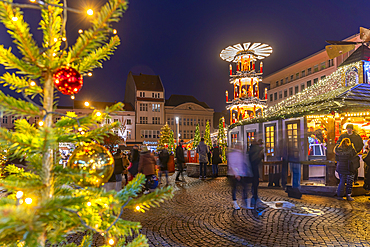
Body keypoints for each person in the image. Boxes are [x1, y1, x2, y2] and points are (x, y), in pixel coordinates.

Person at [227, 142, 253, 210]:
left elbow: (242, 164)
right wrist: (236, 174)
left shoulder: (241, 154)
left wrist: (244, 173)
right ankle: (235, 202)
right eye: (240, 146)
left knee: (244, 187)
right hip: (233, 175)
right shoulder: (233, 154)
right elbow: (232, 165)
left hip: (240, 174)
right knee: (234, 188)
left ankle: (244, 202)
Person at [249, 139, 264, 205]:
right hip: (254, 168)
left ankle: (255, 195)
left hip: (253, 168)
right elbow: (255, 160)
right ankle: (254, 196)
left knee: (254, 183)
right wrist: (260, 157)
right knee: (255, 182)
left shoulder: (251, 149)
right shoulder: (254, 150)